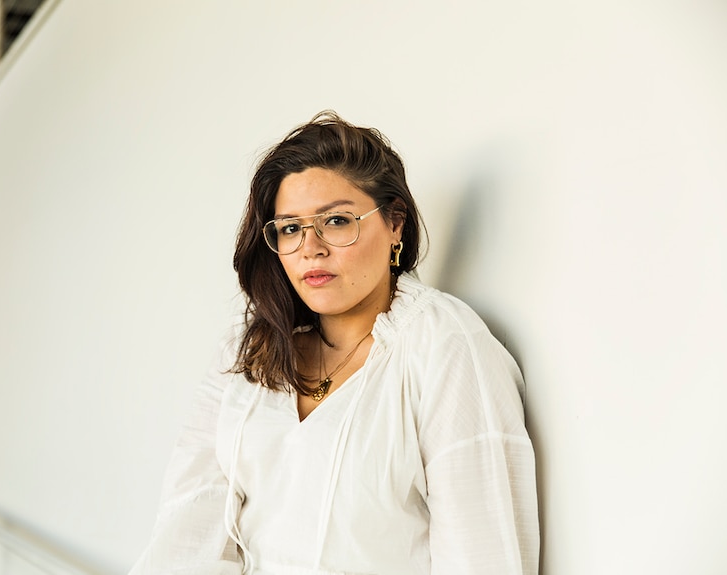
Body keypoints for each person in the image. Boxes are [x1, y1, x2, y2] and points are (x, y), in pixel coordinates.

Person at [129, 111, 539, 575]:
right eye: (289, 228)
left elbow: (482, 556)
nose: (311, 247)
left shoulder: (444, 346)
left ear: (396, 224)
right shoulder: (248, 351)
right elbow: (187, 528)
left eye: (337, 221)